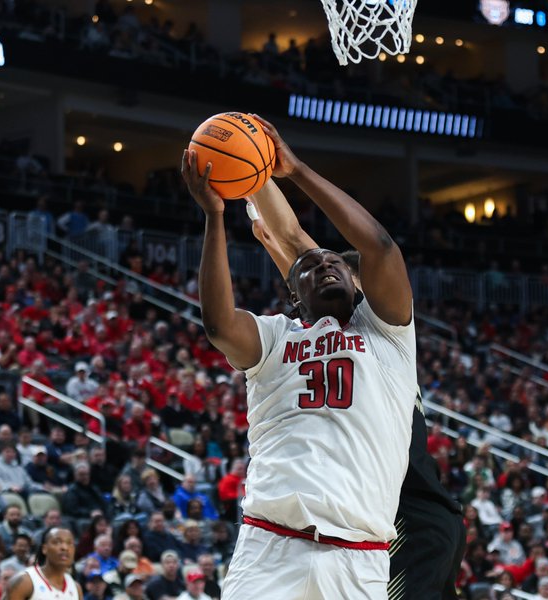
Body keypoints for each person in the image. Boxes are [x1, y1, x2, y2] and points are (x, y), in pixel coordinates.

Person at [182, 116, 416, 599]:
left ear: (356, 283)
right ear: (293, 293)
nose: (326, 264)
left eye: (334, 260)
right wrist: (214, 217)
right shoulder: (274, 339)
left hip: (360, 556)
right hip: (271, 545)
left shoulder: (388, 334)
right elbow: (219, 325)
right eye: (310, 265)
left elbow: (379, 245)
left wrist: (298, 170)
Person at [249, 178, 467, 599]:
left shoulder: (382, 332)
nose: (324, 275)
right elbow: (292, 252)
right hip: (412, 519)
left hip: (406, 521)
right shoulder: (335, 335)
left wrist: (259, 178)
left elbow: (295, 240)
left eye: (339, 273)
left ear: (359, 289)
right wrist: (254, 185)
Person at [2, 528, 80, 600]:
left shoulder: (76, 588)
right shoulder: (24, 581)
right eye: (57, 542)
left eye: (69, 543)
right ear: (44, 549)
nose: (65, 547)